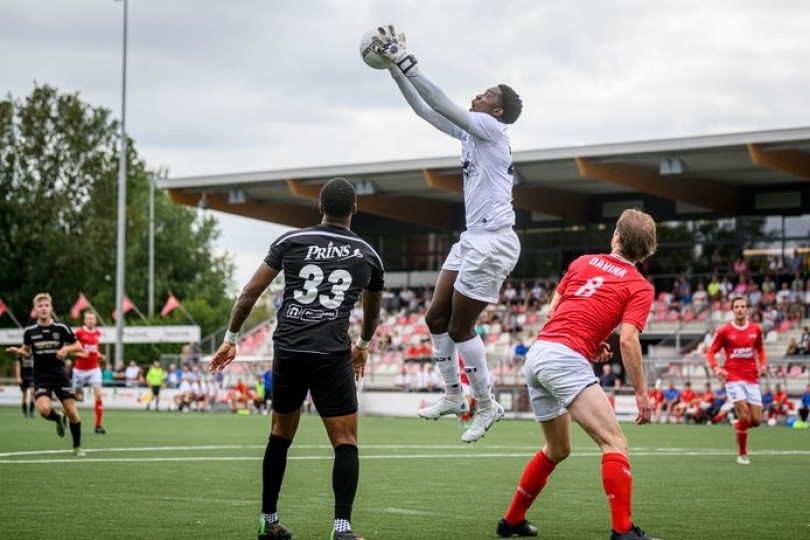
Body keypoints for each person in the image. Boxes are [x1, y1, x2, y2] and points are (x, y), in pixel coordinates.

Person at [208, 178, 384, 540]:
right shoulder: (368, 254)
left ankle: (267, 520)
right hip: (331, 354)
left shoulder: (291, 241)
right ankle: (342, 528)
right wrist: (363, 344)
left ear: (320, 207)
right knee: (346, 440)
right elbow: (372, 310)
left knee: (279, 435)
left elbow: (249, 293)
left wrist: (231, 339)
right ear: (354, 209)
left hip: (288, 349)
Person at [373, 25, 523, 443]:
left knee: (459, 328)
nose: (478, 96)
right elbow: (425, 109)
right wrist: (392, 68)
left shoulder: (492, 130)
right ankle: (453, 397)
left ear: (495, 112)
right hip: (473, 237)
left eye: (486, 95)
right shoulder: (473, 132)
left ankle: (487, 404)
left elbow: (442, 101)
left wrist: (406, 59)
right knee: (434, 317)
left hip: (494, 241)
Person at [496, 209, 659, 540]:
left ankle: (511, 521)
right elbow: (628, 340)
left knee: (557, 449)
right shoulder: (639, 286)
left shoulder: (583, 262)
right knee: (614, 442)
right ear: (646, 250)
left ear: (616, 236)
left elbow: (555, 311)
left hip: (539, 352)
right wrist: (641, 392)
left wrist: (591, 342)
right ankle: (623, 532)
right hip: (565, 359)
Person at [5, 293, 86, 455]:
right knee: (43, 409)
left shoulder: (61, 328)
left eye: (46, 305)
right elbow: (27, 352)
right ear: (35, 309)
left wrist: (66, 349)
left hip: (59, 375)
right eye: (40, 306)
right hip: (41, 377)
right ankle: (57, 419)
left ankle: (77, 446)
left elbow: (79, 346)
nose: (43, 308)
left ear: (51, 308)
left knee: (72, 411)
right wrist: (19, 351)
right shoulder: (30, 331)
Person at [707, 295, 767, 465]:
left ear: (747, 309)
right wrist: (717, 368)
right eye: (737, 307)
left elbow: (761, 350)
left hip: (752, 377)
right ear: (732, 310)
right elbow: (711, 352)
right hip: (732, 376)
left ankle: (739, 426)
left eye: (743, 306)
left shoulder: (756, 329)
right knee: (744, 412)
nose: (740, 309)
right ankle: (742, 454)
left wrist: (762, 365)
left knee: (756, 420)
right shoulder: (725, 331)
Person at [73, 311, 107, 434]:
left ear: (96, 321)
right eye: (88, 319)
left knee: (98, 395)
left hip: (94, 369)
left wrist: (100, 356)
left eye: (92, 319)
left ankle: (98, 425)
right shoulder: (79, 333)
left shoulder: (98, 333)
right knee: (74, 397)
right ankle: (64, 417)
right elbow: (69, 350)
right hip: (79, 370)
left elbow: (94, 350)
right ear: (84, 321)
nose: (90, 321)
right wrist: (81, 354)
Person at [15, 350, 35, 418]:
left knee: (32, 392)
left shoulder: (33, 352)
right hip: (23, 377)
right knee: (24, 394)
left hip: (32, 376)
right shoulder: (19, 354)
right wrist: (18, 377)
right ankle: (25, 412)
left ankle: (31, 412)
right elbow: (17, 366)